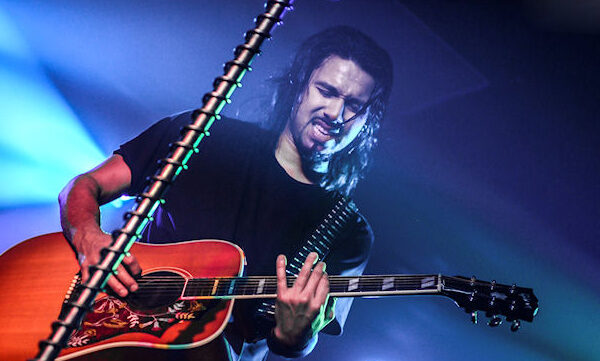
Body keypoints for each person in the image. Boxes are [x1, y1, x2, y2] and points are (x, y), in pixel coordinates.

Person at [59, 26, 393, 360]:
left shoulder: (348, 231)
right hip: (102, 336)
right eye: (326, 91)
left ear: (368, 120)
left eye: (354, 105)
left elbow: (296, 343)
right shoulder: (205, 135)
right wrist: (88, 239)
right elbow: (85, 186)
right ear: (300, 85)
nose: (335, 113)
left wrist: (297, 334)